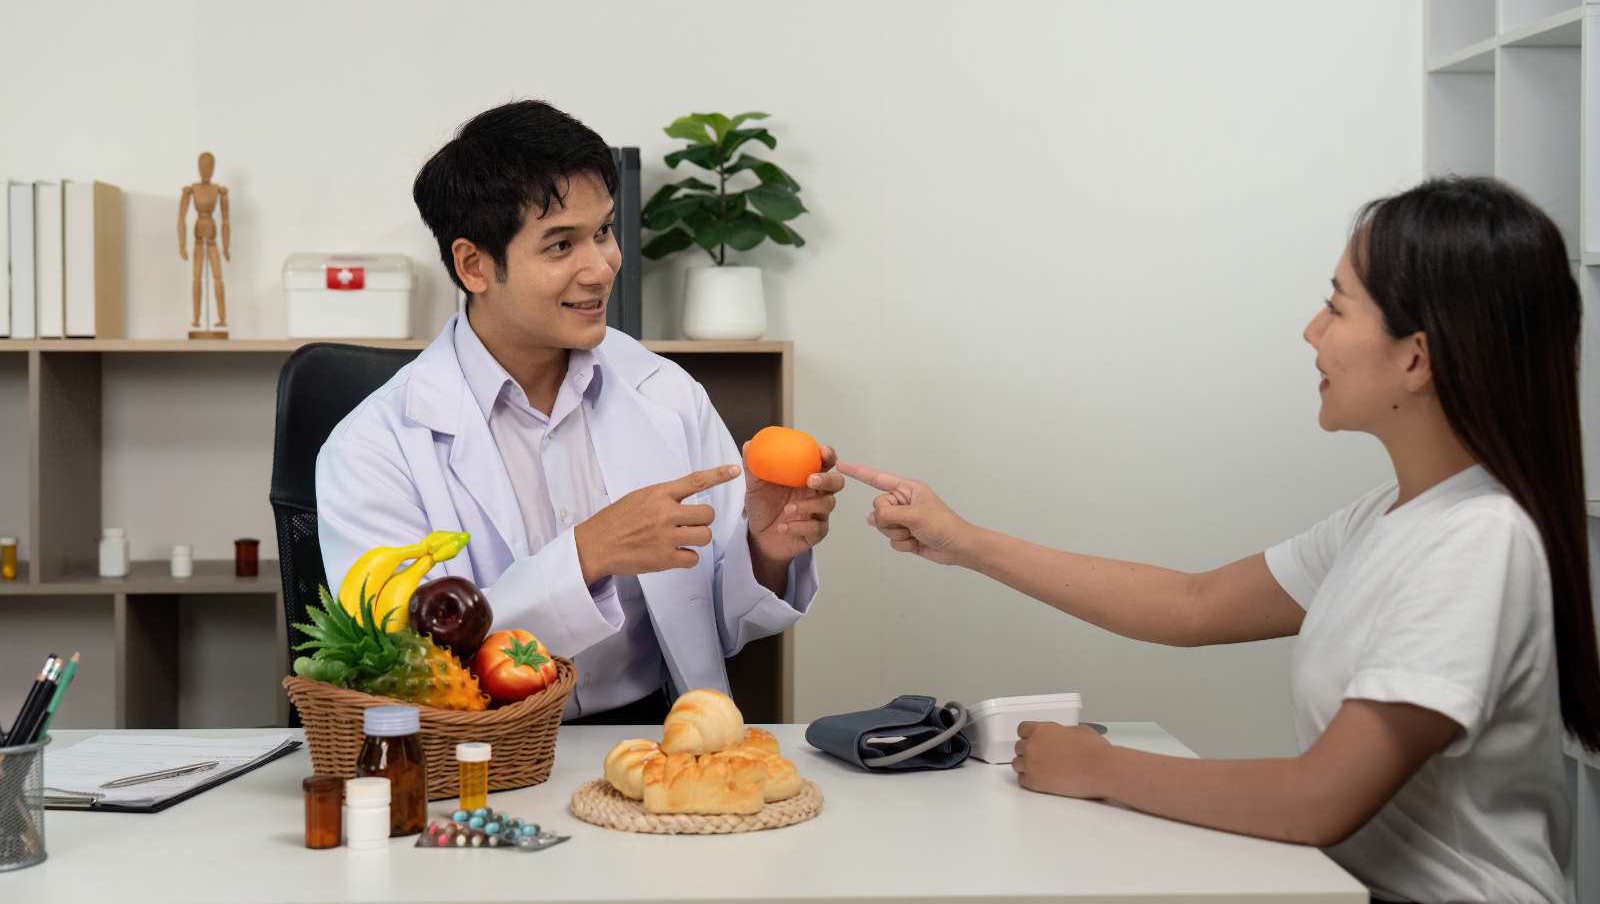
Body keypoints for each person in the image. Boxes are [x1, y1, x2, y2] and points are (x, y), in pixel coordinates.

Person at [841, 176, 1600, 904]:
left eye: (1336, 307)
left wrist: (1101, 767)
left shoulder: (1477, 544)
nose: (1312, 331)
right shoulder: (1389, 520)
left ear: (1415, 356)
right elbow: (1192, 605)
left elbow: (1319, 800)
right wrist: (963, 540)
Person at [317, 100, 842, 724]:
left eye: (604, 231)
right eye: (561, 245)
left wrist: (767, 549)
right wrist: (586, 554)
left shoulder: (664, 393)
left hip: (654, 736)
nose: (601, 267)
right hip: (483, 751)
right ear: (474, 265)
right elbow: (401, 669)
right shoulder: (373, 447)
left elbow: (722, 628)